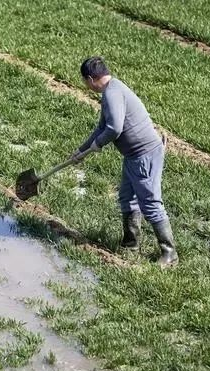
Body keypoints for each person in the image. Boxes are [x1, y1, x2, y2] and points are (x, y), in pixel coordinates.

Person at [71, 56, 178, 266]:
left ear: (91, 79)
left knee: (150, 203)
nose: (86, 86)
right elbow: (102, 128)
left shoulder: (112, 94)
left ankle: (170, 253)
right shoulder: (112, 89)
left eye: (85, 82)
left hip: (144, 154)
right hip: (133, 156)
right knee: (127, 198)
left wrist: (97, 145)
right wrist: (81, 150)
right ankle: (131, 244)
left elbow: (114, 129)